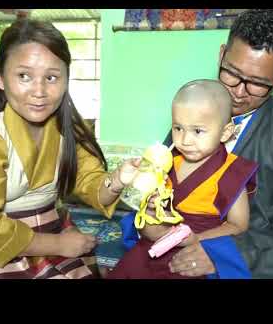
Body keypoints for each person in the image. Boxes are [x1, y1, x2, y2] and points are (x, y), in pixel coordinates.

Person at [0, 19, 139, 279]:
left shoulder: (68, 128)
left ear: (66, 78)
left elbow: (91, 184)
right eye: (24, 76)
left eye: (52, 77)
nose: (39, 91)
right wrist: (59, 245)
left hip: (54, 229)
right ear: (0, 77)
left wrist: (116, 181)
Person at [161, 9, 273, 278]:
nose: (239, 92)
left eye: (257, 84)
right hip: (175, 253)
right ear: (221, 55)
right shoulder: (196, 113)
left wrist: (227, 256)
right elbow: (165, 181)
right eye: (231, 73)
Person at [108, 80, 259, 279]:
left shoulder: (231, 170)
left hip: (196, 248)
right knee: (130, 267)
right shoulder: (169, 163)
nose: (185, 140)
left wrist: (197, 239)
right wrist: (153, 207)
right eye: (178, 128)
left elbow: (238, 226)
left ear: (225, 132)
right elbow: (153, 214)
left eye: (197, 131)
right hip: (158, 242)